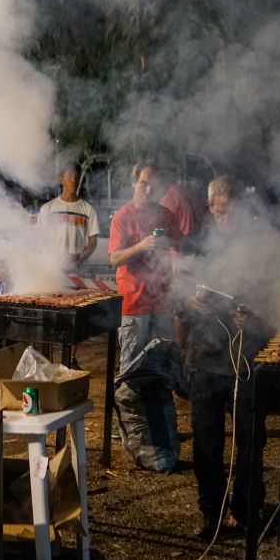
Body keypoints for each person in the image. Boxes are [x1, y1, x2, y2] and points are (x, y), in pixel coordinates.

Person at [178, 176, 277, 540]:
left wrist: (255, 315)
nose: (223, 219)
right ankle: (212, 513)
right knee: (206, 444)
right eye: (217, 213)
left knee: (250, 442)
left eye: (229, 212)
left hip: (246, 360)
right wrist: (188, 301)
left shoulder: (260, 246)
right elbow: (177, 295)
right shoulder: (196, 245)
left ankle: (248, 510)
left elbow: (277, 298)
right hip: (205, 357)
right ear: (209, 208)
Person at [108, 162, 183, 472]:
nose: (149, 189)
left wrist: (170, 244)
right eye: (143, 183)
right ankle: (129, 431)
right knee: (131, 373)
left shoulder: (164, 215)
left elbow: (180, 242)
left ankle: (159, 430)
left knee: (161, 370)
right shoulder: (123, 216)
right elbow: (114, 257)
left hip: (161, 303)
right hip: (134, 305)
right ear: (134, 184)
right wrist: (141, 246)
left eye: (153, 184)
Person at [38, 163, 99, 272]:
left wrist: (80, 259)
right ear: (60, 180)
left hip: (79, 272)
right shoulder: (47, 209)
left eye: (76, 176)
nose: (74, 180)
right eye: (70, 176)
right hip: (54, 270)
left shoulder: (88, 210)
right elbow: (40, 239)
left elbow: (93, 242)